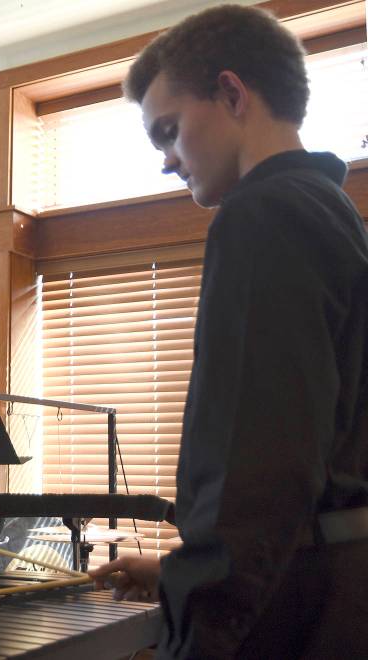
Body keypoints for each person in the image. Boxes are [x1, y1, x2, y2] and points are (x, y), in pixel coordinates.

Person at [87, 5, 368, 658]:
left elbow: (259, 464)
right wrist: (178, 573)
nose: (165, 160)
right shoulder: (336, 215)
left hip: (291, 617)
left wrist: (203, 615)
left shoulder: (260, 216)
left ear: (233, 93)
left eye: (169, 130)